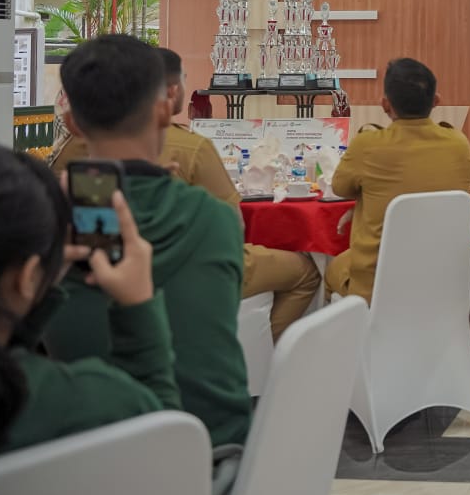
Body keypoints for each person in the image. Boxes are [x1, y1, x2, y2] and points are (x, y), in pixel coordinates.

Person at [43, 35, 250, 448]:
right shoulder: (215, 219)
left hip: (83, 455)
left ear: (73, 123)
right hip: (216, 450)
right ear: (164, 109)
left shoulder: (49, 227)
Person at [54, 48, 321, 342]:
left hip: (100, 349)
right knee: (304, 272)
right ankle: (270, 353)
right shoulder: (207, 211)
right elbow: (233, 234)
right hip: (197, 350)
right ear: (164, 109)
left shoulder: (69, 215)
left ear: (72, 122)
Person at [0, 145, 178, 469]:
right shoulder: (80, 400)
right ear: (27, 276)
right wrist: (138, 305)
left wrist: (37, 288)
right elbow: (169, 450)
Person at [326, 58, 470, 302]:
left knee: (331, 269)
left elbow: (340, 188)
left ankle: (348, 326)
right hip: (440, 281)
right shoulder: (459, 144)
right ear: (436, 100)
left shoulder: (368, 144)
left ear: (385, 104)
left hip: (376, 287)